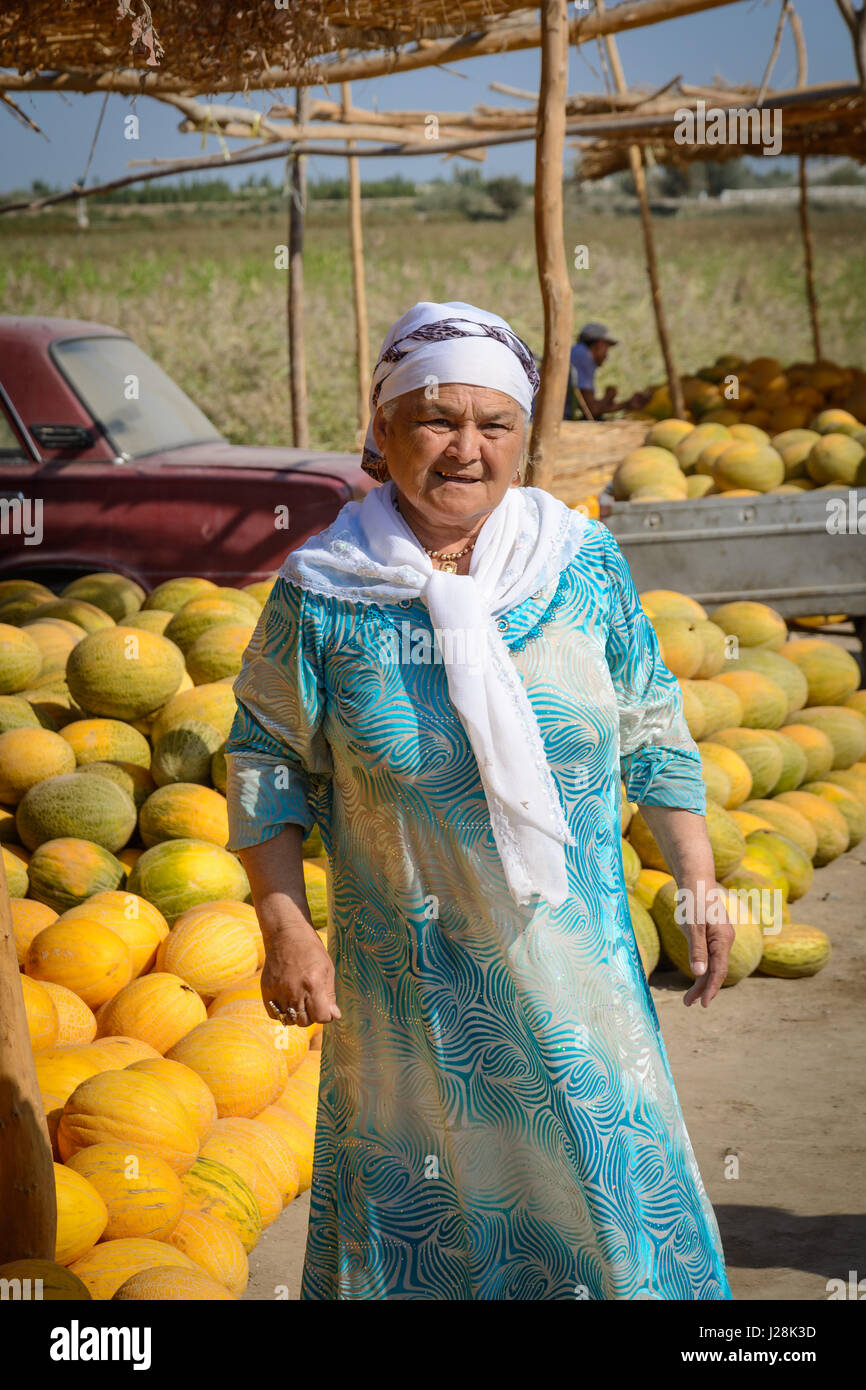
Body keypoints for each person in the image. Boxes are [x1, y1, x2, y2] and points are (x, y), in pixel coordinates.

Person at [225, 299, 734, 1301]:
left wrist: (698, 876)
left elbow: (650, 723)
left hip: (580, 989)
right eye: (435, 419)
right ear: (380, 429)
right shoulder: (324, 592)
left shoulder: (578, 565)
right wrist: (283, 922)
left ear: (521, 435)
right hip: (413, 1003)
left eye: (492, 423)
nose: (465, 448)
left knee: (607, 1220)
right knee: (440, 1238)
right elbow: (262, 760)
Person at [565, 321, 651, 420]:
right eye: (606, 348)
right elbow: (592, 411)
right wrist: (608, 397)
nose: (606, 355)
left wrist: (627, 404)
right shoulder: (584, 356)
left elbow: (590, 407)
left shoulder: (576, 352)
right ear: (599, 344)